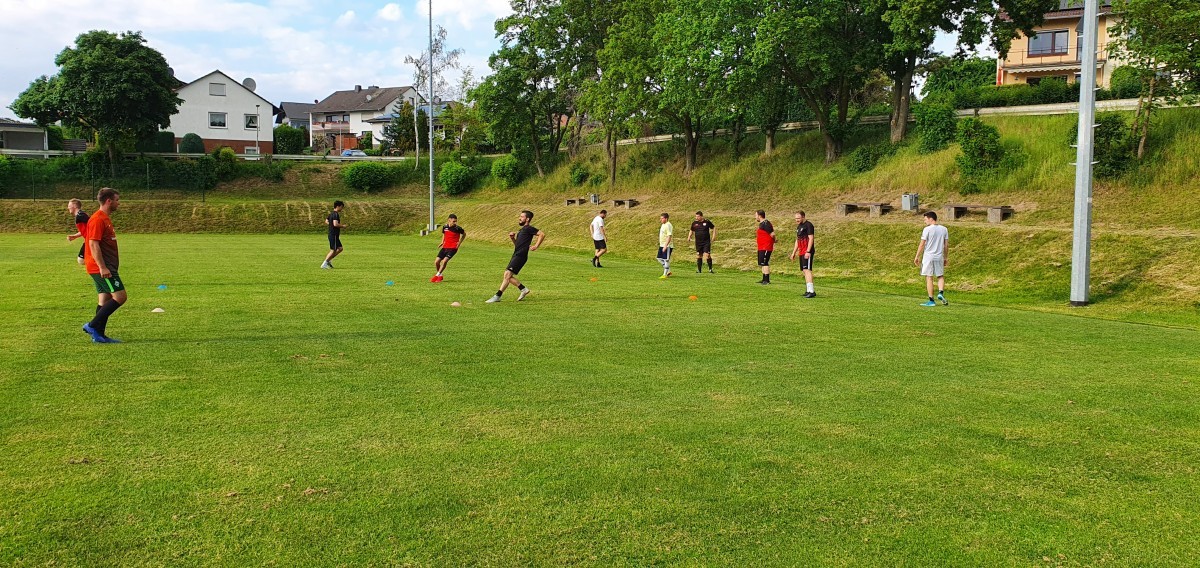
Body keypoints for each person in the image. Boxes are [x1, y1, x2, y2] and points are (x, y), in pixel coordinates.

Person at [81, 188, 125, 343]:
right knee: (120, 297)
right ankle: (92, 326)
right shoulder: (98, 219)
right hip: (102, 267)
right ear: (109, 201)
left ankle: (99, 335)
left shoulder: (104, 218)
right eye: (117, 200)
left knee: (104, 300)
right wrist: (103, 267)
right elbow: (93, 244)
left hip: (105, 266)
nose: (119, 203)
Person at [486, 210, 545, 303]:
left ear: (527, 219)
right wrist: (513, 238)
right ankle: (515, 291)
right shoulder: (522, 230)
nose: (519, 218)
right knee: (507, 276)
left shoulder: (529, 228)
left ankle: (503, 294)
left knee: (507, 275)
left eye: (522, 216)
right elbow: (517, 245)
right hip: (517, 254)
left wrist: (536, 246)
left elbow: (542, 234)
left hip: (521, 256)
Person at [914, 211, 949, 307]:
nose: (924, 221)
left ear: (930, 219)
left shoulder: (927, 229)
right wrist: (946, 257)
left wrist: (917, 256)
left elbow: (922, 244)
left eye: (925, 219)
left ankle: (931, 300)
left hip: (928, 256)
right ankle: (941, 293)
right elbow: (946, 245)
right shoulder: (944, 229)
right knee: (940, 276)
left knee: (929, 277)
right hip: (939, 256)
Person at [789, 211, 816, 298]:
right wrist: (794, 252)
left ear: (803, 217)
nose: (797, 220)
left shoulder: (808, 225)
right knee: (804, 270)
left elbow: (811, 238)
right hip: (801, 251)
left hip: (807, 251)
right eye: (796, 218)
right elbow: (797, 240)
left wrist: (808, 251)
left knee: (807, 270)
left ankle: (811, 291)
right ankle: (808, 290)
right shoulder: (799, 226)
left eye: (798, 218)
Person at [432, 214, 466, 282]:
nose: (455, 223)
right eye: (453, 221)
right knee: (436, 262)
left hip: (453, 248)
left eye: (456, 221)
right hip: (445, 247)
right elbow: (444, 234)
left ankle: (437, 275)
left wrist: (459, 243)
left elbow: (464, 234)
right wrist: (442, 242)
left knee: (444, 261)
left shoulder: (458, 228)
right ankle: (440, 275)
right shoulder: (445, 227)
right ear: (449, 220)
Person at [320, 200, 345, 269]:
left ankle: (329, 260)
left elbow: (326, 221)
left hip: (334, 235)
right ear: (338, 206)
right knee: (333, 250)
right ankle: (324, 264)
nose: (342, 209)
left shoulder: (331, 214)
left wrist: (330, 225)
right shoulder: (335, 214)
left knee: (340, 248)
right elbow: (335, 224)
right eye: (341, 207)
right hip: (333, 234)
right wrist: (343, 226)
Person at [755, 210, 775, 284]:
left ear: (760, 216)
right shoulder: (762, 224)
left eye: (756, 215)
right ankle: (763, 279)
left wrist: (774, 240)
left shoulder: (766, 223)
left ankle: (767, 280)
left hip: (766, 246)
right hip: (761, 246)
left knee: (765, 262)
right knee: (762, 263)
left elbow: (772, 234)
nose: (755, 217)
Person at [67, 198, 89, 265]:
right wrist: (75, 236)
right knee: (81, 260)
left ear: (75, 206)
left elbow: (93, 226)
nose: (68, 207)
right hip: (89, 240)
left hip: (91, 240)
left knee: (81, 260)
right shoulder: (80, 215)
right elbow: (85, 229)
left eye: (69, 205)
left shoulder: (81, 215)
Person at [656, 213, 673, 279]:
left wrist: (666, 245)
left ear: (666, 218)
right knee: (659, 258)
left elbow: (669, 236)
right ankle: (668, 271)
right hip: (662, 245)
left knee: (666, 260)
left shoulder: (668, 225)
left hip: (667, 245)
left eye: (662, 218)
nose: (661, 219)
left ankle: (665, 274)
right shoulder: (663, 225)